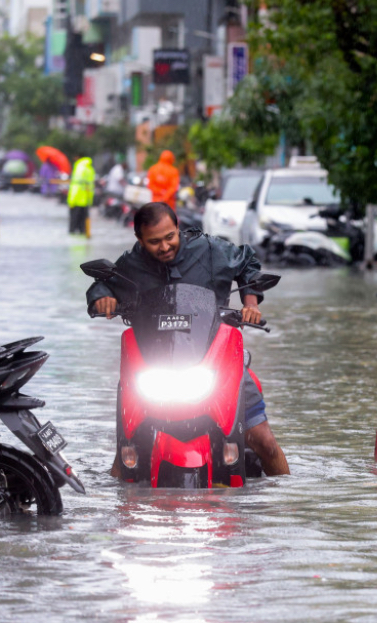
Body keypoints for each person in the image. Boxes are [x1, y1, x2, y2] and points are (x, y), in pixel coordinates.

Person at [85, 202, 290, 476]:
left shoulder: (211, 249)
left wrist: (250, 304)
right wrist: (103, 298)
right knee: (125, 455)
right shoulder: (131, 263)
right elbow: (104, 283)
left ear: (178, 227)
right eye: (154, 241)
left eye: (170, 236)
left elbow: (247, 263)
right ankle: (117, 508)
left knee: (263, 440)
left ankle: (286, 506)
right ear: (140, 240)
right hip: (153, 368)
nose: (165, 246)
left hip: (217, 360)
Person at [67, 157, 95, 235]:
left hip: (75, 200)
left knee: (73, 223)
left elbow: (74, 188)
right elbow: (90, 187)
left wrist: (71, 201)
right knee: (83, 226)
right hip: (85, 200)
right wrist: (90, 201)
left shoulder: (78, 168)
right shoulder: (89, 170)